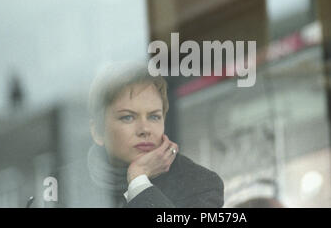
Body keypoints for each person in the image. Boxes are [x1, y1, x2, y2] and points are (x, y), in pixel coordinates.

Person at [56, 63, 224, 207]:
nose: (145, 129)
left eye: (154, 117)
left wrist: (138, 182)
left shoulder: (200, 184)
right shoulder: (62, 185)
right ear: (97, 132)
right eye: (128, 117)